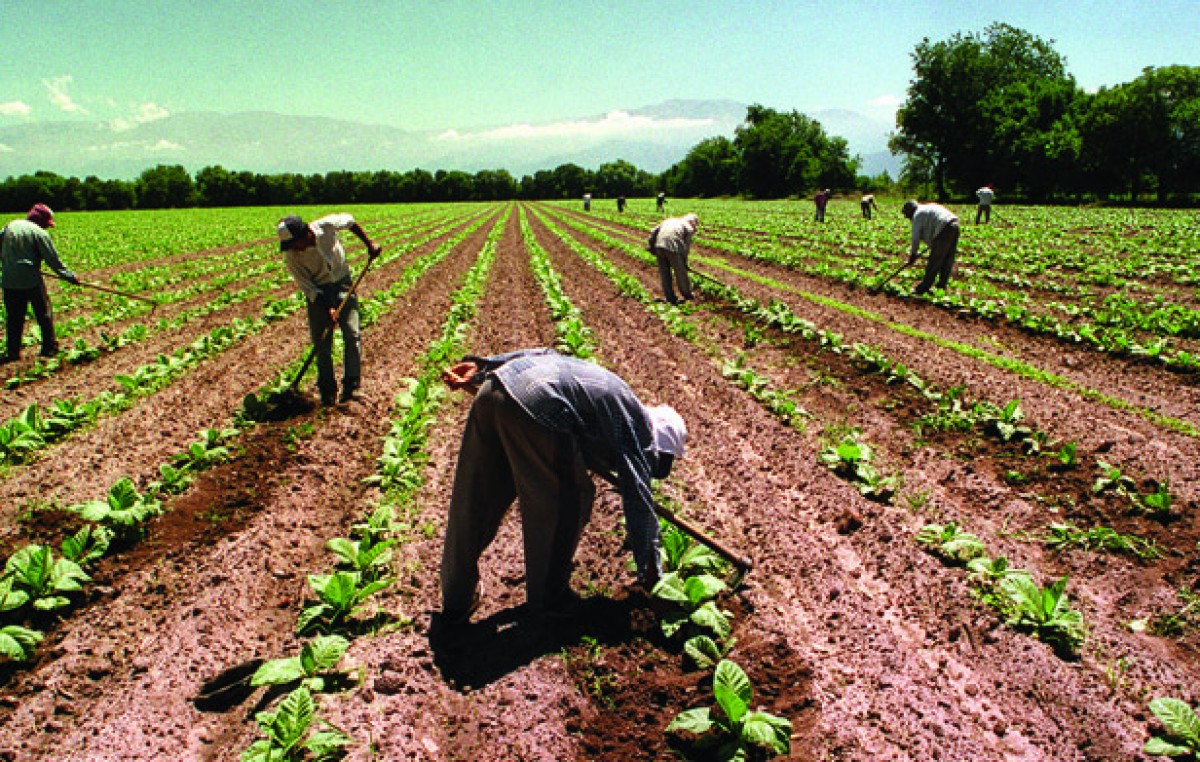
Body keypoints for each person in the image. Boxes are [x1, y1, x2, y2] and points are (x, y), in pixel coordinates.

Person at [437, 347, 687, 625]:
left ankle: (456, 598)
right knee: (570, 499)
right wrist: (652, 576)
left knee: (476, 499)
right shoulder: (638, 427)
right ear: (659, 444)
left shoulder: (611, 397)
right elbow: (639, 502)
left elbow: (546, 353)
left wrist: (483, 369)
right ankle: (550, 599)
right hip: (537, 406)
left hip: (493, 390)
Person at [277, 212, 381, 405]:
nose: (294, 249)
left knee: (352, 333)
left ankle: (352, 387)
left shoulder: (326, 226)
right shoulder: (292, 257)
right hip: (318, 294)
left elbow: (351, 221)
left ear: (305, 233)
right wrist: (328, 308)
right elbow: (309, 288)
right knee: (321, 343)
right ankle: (327, 391)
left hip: (343, 284)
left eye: (294, 243)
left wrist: (370, 244)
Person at [0, 204, 79, 362]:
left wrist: (11, 264)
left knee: (14, 317)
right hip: (31, 279)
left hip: (9, 280)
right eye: (47, 224)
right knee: (43, 313)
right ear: (40, 220)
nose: (48, 227)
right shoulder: (39, 233)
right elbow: (52, 260)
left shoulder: (8, 227)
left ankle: (13, 352)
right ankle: (49, 349)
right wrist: (69, 276)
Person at [901, 199, 960, 295]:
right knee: (947, 258)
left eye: (907, 215)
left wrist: (913, 254)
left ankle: (924, 287)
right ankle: (941, 286)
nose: (908, 218)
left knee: (935, 260)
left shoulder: (918, 215)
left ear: (910, 211)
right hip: (955, 225)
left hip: (944, 227)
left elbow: (915, 238)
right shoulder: (927, 208)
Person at [647, 212, 700, 304]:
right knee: (680, 273)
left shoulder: (669, 220)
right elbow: (686, 248)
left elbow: (652, 232)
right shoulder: (689, 227)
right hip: (673, 247)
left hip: (659, 246)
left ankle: (670, 297)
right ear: (693, 222)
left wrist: (652, 247)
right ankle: (687, 295)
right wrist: (684, 262)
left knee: (665, 273)